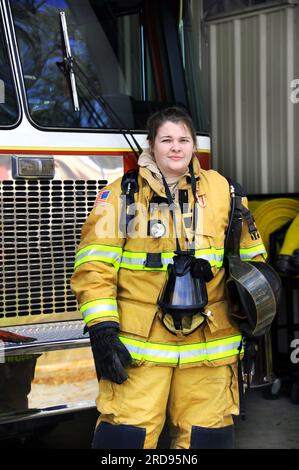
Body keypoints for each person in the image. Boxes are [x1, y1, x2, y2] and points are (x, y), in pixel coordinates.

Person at [70, 107, 267, 449]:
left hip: (210, 348)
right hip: (139, 350)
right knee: (126, 438)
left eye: (183, 140)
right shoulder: (121, 196)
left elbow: (252, 260)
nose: (176, 148)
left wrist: (254, 312)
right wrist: (102, 329)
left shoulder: (225, 192)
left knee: (207, 439)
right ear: (151, 145)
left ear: (193, 146)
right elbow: (94, 266)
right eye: (166, 140)